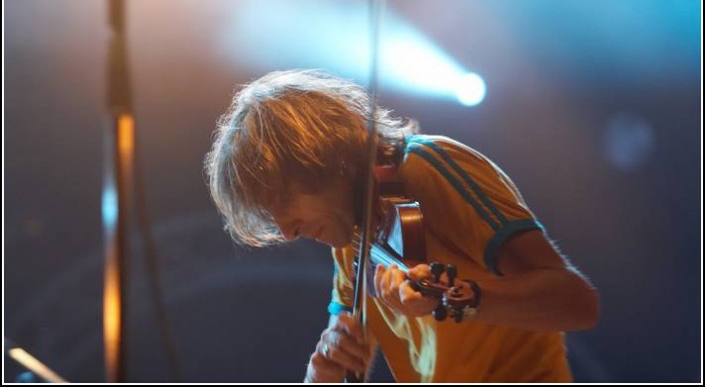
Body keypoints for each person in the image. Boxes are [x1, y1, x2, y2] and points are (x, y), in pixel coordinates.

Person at [204, 69, 599, 382]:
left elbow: (576, 302)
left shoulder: (429, 168)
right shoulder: (348, 237)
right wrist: (321, 374)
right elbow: (344, 356)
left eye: (283, 204)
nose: (288, 232)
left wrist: (456, 298)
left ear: (317, 160)